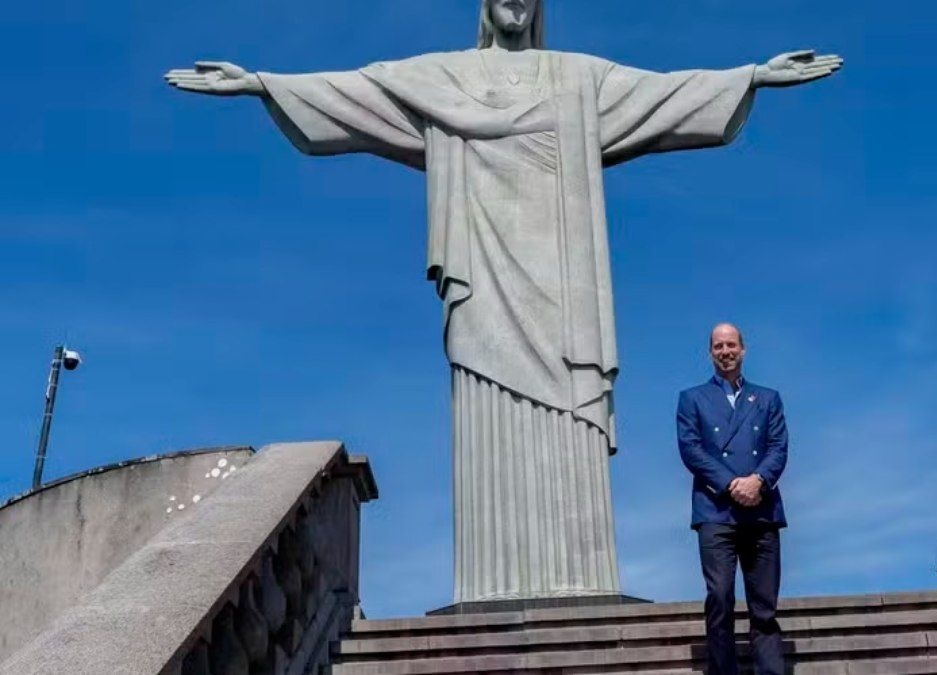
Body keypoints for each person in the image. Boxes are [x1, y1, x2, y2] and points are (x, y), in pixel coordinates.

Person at [165, 0, 834, 605]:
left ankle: (581, 579)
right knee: (488, 411)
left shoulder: (577, 77)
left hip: (565, 286)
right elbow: (358, 92)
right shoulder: (442, 77)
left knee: (569, 410)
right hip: (484, 280)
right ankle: (493, 584)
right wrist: (261, 84)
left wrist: (750, 76)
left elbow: (663, 95)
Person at [677, 323, 788, 675]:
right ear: (710, 352)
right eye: (718, 346)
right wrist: (731, 485)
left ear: (744, 349)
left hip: (762, 510)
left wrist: (757, 480)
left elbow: (778, 447)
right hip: (715, 511)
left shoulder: (768, 398)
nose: (725, 351)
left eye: (731, 345)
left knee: (764, 607)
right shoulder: (691, 398)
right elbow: (691, 450)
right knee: (721, 599)